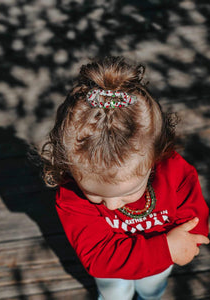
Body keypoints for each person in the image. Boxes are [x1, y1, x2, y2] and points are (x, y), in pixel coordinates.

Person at [42, 56, 209, 300]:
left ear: (155, 158)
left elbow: (194, 220)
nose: (110, 205)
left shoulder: (174, 171)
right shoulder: (70, 195)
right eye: (96, 194)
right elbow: (99, 258)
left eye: (127, 193)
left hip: (158, 265)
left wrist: (181, 242)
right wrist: (167, 248)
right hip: (114, 274)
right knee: (114, 294)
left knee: (151, 290)